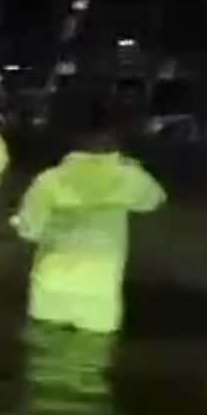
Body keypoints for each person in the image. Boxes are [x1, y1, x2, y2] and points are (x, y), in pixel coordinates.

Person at [12, 107, 165, 334]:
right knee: (88, 364)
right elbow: (154, 200)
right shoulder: (129, 178)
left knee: (43, 364)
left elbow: (30, 230)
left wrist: (18, 222)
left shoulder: (49, 180)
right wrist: (131, 168)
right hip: (99, 295)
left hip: (50, 291)